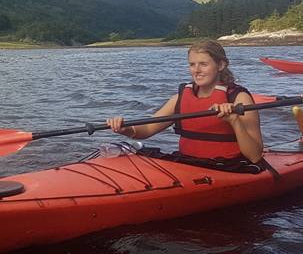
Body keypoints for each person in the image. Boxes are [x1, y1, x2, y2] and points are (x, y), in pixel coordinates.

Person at [106, 40, 264, 164]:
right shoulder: (180, 98)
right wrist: (125, 129)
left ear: (221, 65)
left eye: (203, 64)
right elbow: (147, 129)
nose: (196, 70)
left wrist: (234, 120)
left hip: (228, 167)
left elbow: (255, 156)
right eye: (192, 64)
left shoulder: (238, 98)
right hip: (187, 163)